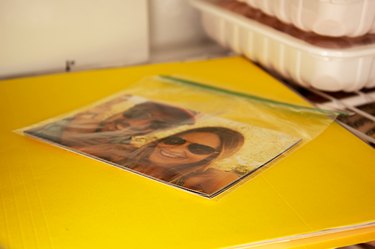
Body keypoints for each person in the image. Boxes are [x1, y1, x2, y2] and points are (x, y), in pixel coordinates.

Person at [78, 126, 245, 195]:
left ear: (211, 158)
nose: (176, 149)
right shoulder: (118, 151)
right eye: (175, 141)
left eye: (199, 149)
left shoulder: (207, 179)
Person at [26, 95, 196, 147]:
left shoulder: (122, 150)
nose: (139, 124)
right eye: (139, 113)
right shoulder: (71, 119)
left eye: (158, 124)